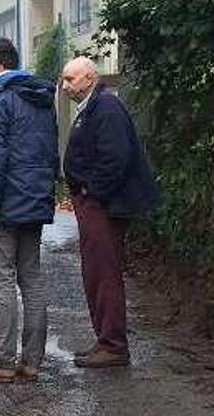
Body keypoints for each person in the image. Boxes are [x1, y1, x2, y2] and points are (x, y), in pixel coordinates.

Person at [0, 37, 60, 383]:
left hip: (2, 206)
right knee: (31, 280)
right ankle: (32, 361)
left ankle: (2, 362)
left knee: (1, 281)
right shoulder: (41, 96)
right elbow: (51, 151)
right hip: (33, 203)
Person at [60, 57, 160, 368]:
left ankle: (113, 345)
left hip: (104, 206)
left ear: (89, 78)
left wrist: (92, 193)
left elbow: (115, 157)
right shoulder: (93, 107)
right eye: (64, 80)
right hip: (97, 204)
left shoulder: (105, 108)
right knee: (96, 273)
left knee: (103, 274)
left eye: (70, 79)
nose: (64, 87)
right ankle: (105, 340)